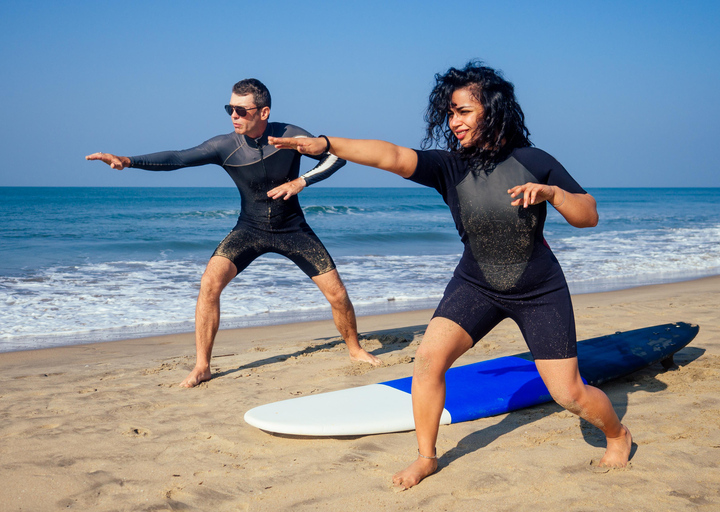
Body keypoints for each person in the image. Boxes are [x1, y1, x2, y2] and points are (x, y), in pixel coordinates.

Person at [269, 62, 632, 489]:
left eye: (464, 111)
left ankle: (617, 435)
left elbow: (588, 214)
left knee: (568, 393)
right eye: (450, 113)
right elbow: (390, 155)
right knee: (428, 361)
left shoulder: (534, 161)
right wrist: (328, 143)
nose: (454, 122)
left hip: (538, 289)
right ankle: (426, 457)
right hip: (476, 283)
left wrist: (552, 193)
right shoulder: (450, 166)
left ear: (492, 110)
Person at [87, 78, 381, 388]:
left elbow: (336, 156)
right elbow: (178, 158)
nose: (234, 116)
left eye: (241, 110)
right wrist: (128, 161)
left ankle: (355, 349)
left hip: (292, 228)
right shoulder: (224, 146)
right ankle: (202, 366)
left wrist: (301, 182)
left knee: (337, 294)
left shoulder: (290, 135)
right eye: (230, 109)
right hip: (250, 228)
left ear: (263, 112)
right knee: (209, 283)